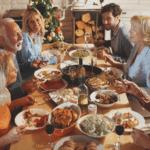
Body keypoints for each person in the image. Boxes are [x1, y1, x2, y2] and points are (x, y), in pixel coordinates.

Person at [102, 15, 150, 110]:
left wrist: (136, 91)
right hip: (125, 92)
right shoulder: (137, 45)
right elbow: (130, 67)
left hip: (139, 104)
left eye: (134, 29)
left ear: (146, 33)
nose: (129, 31)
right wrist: (114, 63)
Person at [0, 50, 35, 150]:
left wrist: (20, 101)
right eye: (12, 70)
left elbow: (3, 111)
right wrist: (6, 139)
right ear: (1, 77)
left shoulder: (2, 91)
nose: (16, 70)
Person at [0, 18, 40, 101]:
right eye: (15, 35)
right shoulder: (2, 60)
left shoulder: (11, 51)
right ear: (1, 39)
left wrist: (30, 65)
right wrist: (23, 89)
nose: (21, 38)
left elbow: (16, 76)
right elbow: (2, 99)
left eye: (20, 33)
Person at [16, 7, 63, 79]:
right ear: (27, 23)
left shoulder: (37, 34)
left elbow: (36, 58)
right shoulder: (25, 36)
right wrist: (54, 59)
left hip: (36, 70)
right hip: (27, 76)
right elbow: (32, 61)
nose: (36, 24)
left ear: (41, 19)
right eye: (32, 21)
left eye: (37, 20)